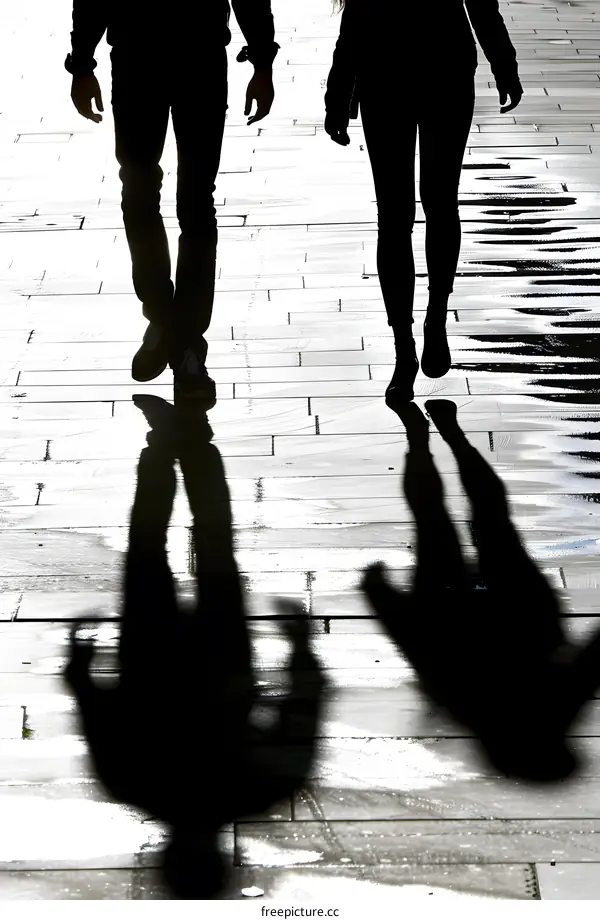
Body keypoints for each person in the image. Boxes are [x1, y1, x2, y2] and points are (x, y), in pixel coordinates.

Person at [65, 396, 326, 898]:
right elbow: (94, 710)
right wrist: (80, 663)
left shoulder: (260, 791)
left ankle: (194, 447)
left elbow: (303, 710)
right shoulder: (128, 785)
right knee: (149, 548)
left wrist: (299, 651)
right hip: (151, 659)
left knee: (213, 547)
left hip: (221, 660)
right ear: (164, 857)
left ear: (228, 858)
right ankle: (166, 447)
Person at [65, 1, 280, 403]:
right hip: (187, 52)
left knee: (148, 192)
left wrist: (82, 63)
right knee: (190, 201)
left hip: (141, 53)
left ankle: (168, 324)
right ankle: (182, 339)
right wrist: (263, 62)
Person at [324, 1, 523, 404]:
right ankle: (409, 343)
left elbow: (355, 16)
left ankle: (428, 325)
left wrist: (504, 62)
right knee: (417, 210)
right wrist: (339, 91)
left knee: (416, 210)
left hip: (416, 70)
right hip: (414, 70)